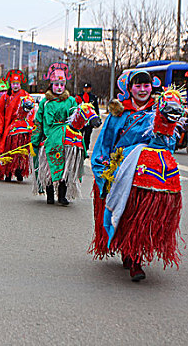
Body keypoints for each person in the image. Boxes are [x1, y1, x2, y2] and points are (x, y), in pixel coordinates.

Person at [89, 70, 163, 281]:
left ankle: (135, 259)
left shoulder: (158, 113)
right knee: (125, 212)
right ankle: (128, 250)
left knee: (141, 216)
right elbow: (104, 144)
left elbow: (168, 146)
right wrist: (104, 169)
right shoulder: (118, 114)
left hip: (147, 173)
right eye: (138, 86)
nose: (142, 90)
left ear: (152, 88)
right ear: (129, 89)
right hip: (121, 172)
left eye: (146, 85)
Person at [31, 63, 78, 205]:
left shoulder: (71, 101)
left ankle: (62, 195)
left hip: (66, 140)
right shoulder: (45, 102)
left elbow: (76, 119)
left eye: (62, 84)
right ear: (51, 85)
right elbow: (38, 122)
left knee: (65, 168)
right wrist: (35, 140)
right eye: (56, 84)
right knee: (48, 167)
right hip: (49, 139)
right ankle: (49, 194)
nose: (59, 87)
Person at [0, 70, 29, 180]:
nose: (16, 86)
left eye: (17, 84)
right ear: (10, 84)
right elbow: (0, 113)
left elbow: (30, 110)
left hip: (21, 127)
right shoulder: (5, 97)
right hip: (8, 127)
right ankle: (7, 172)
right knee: (8, 150)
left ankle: (19, 171)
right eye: (13, 84)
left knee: (21, 151)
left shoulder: (24, 95)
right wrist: (0, 127)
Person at [75, 83, 100, 150]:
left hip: (89, 120)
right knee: (79, 134)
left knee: (87, 135)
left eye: (87, 88)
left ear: (90, 88)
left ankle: (85, 149)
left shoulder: (93, 97)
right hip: (81, 119)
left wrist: (97, 118)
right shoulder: (79, 97)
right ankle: (78, 147)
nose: (86, 89)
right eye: (85, 88)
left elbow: (96, 109)